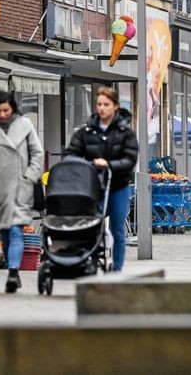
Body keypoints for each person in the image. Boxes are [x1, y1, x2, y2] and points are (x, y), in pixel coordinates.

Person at [0, 91, 44, 293]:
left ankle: (13, 272)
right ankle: (12, 267)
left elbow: (37, 153)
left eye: (6, 110)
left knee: (16, 230)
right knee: (4, 234)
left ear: (13, 108)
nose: (2, 114)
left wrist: (30, 176)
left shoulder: (25, 126)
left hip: (21, 187)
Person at [63, 86, 139, 272]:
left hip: (118, 185)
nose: (102, 108)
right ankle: (89, 261)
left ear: (115, 106)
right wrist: (83, 164)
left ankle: (117, 267)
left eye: (106, 104)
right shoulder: (86, 132)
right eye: (99, 104)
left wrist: (109, 164)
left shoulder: (125, 133)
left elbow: (130, 159)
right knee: (90, 224)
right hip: (93, 186)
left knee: (118, 228)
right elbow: (71, 153)